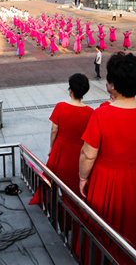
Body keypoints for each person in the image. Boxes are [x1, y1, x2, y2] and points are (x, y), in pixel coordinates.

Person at [79, 52, 136, 262]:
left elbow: (88, 154)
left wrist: (82, 177)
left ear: (112, 85)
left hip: (108, 177)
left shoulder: (102, 113)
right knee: (134, 220)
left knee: (106, 223)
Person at [29, 73, 93, 205]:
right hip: (78, 151)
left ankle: (45, 203)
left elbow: (54, 130)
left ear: (70, 91)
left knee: (50, 178)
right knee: (74, 187)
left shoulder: (61, 107)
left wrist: (52, 146)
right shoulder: (91, 112)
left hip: (61, 147)